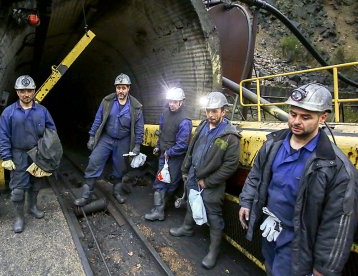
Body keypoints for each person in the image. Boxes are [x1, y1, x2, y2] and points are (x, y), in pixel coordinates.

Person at [238, 83, 358, 276]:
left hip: (298, 243)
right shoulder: (273, 146)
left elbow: (338, 222)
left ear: (323, 118)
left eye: (305, 117)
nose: (296, 121)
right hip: (270, 228)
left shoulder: (336, 167)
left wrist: (323, 268)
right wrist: (246, 201)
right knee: (270, 268)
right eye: (293, 114)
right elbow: (256, 175)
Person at [169, 91, 241, 269]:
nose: (210, 114)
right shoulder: (202, 126)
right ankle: (187, 228)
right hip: (194, 175)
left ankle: (213, 251)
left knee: (214, 216)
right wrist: (186, 168)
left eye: (215, 111)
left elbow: (230, 166)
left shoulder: (230, 136)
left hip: (211, 182)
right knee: (192, 201)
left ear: (223, 112)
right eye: (208, 111)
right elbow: (192, 149)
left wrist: (208, 182)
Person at [74, 73, 144, 206]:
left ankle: (116, 192)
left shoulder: (136, 106)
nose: (121, 91)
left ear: (128, 88)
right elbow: (98, 119)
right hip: (107, 138)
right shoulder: (107, 101)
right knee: (94, 161)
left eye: (123, 88)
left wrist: (137, 145)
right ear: (115, 88)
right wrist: (92, 136)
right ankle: (86, 195)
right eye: (118, 88)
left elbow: (139, 127)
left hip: (124, 140)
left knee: (120, 167)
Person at [0, 75, 57, 233]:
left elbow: (52, 132)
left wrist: (48, 151)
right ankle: (19, 217)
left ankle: (32, 207)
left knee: (36, 184)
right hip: (18, 155)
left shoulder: (42, 111)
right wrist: (6, 157)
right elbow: (3, 136)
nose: (26, 94)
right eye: (22, 91)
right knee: (18, 189)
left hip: (37, 154)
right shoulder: (8, 113)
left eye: (29, 90)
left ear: (34, 91)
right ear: (17, 92)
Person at [144, 87, 192, 221]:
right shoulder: (164, 114)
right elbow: (162, 133)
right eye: (170, 101)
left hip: (174, 158)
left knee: (166, 183)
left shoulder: (184, 120)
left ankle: (159, 210)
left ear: (181, 102)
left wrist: (169, 153)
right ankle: (159, 209)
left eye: (175, 102)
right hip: (164, 155)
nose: (171, 104)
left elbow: (182, 145)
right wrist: (158, 147)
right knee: (161, 182)